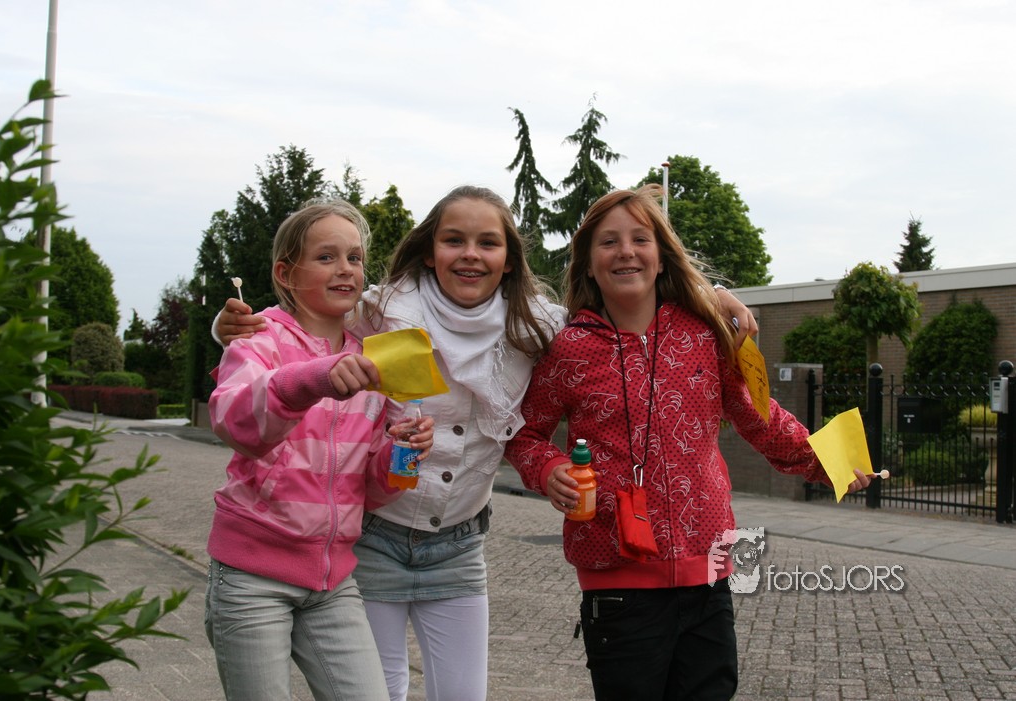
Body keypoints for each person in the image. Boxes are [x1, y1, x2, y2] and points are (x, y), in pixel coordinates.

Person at [212, 186, 758, 701]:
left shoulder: (538, 325)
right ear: (430, 251)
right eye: (454, 240)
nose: (470, 254)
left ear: (510, 259)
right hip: (374, 540)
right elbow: (306, 314)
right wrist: (230, 326)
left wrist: (711, 297)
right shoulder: (382, 311)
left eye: (488, 242)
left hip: (458, 547)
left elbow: (620, 306)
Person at [503, 184, 873, 701]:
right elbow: (524, 433)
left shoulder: (704, 334)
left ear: (661, 257)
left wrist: (828, 461)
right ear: (587, 262)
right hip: (616, 584)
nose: (626, 251)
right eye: (609, 242)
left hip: (708, 578)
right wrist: (549, 469)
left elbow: (759, 417)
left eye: (640, 239)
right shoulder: (569, 349)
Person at [204, 201, 434, 701]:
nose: (346, 269)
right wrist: (313, 379)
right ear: (285, 274)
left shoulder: (372, 359)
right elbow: (236, 422)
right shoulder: (258, 338)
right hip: (251, 577)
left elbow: (371, 491)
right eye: (326, 257)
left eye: (354, 257)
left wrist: (401, 454)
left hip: (334, 583)